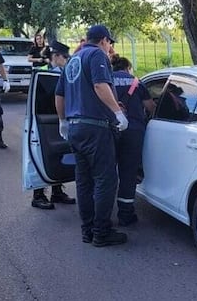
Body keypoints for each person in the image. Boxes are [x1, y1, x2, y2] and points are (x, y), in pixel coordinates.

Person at [55, 24, 129, 247]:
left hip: (76, 128)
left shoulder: (73, 60)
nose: (110, 47)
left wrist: (62, 121)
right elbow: (99, 85)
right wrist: (118, 112)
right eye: (110, 43)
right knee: (106, 180)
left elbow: (59, 95)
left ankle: (87, 230)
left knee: (84, 181)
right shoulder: (97, 54)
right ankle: (102, 232)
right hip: (96, 127)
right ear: (104, 40)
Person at [29, 40, 77, 210]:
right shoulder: (41, 73)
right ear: (55, 56)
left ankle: (57, 191)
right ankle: (38, 195)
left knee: (58, 155)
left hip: (61, 119)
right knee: (40, 156)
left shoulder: (66, 72)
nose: (66, 60)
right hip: (44, 121)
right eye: (64, 57)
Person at [111, 55, 155, 226]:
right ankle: (125, 214)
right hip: (133, 132)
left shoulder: (106, 81)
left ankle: (102, 214)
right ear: (128, 68)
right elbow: (150, 107)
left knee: (106, 173)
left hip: (110, 130)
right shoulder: (137, 83)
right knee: (128, 174)